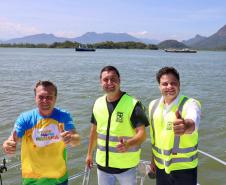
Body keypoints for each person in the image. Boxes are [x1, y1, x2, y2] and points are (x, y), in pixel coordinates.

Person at [2, 80, 80, 185]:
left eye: (49, 97)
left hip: (59, 178)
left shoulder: (63, 116)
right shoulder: (25, 118)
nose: (45, 101)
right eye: (41, 97)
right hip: (32, 180)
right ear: (35, 98)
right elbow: (14, 138)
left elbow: (76, 139)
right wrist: (8, 144)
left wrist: (71, 138)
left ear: (55, 98)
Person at [86, 66, 149, 185]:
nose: (109, 83)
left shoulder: (133, 104)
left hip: (126, 168)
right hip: (103, 167)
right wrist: (89, 154)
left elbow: (142, 134)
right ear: (100, 82)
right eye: (105, 80)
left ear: (119, 80)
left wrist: (128, 143)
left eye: (113, 79)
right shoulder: (98, 103)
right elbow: (94, 131)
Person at [148, 67, 201, 185]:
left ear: (179, 85)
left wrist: (186, 126)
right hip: (161, 167)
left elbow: (193, 121)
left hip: (184, 169)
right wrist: (153, 161)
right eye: (165, 84)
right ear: (159, 86)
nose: (169, 87)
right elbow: (154, 137)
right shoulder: (153, 106)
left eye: (173, 83)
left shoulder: (190, 103)